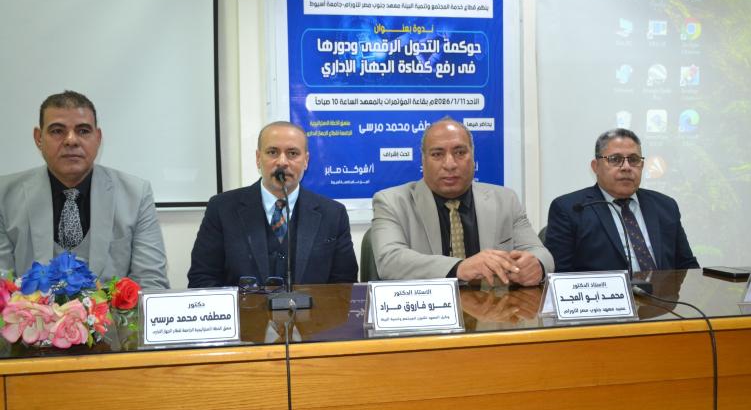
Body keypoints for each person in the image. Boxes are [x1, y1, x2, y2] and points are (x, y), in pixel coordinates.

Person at [0, 90, 169, 288]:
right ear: (39, 138)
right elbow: (2, 285)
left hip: (113, 310)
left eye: (83, 131)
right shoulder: (4, 197)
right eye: (57, 131)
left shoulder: (136, 194)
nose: (71, 140)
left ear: (98, 138)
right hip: (29, 309)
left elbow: (151, 282)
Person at [371, 118, 553, 285]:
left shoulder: (505, 200)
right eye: (437, 154)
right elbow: (389, 261)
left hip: (492, 306)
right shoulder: (392, 202)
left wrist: (536, 265)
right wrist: (460, 267)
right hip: (427, 306)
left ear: (473, 158)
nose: (450, 164)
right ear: (423, 161)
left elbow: (541, 254)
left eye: (460, 152)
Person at [188, 121, 358, 287]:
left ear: (306, 160)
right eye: (272, 152)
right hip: (244, 307)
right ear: (258, 158)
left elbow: (347, 286)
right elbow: (201, 279)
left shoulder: (333, 214)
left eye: (292, 153)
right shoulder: (222, 209)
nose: (282, 162)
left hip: (312, 307)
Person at [546, 128, 699, 272]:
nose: (626, 167)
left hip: (664, 291)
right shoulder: (571, 209)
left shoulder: (665, 206)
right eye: (615, 159)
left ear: (642, 165)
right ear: (596, 166)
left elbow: (687, 265)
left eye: (633, 159)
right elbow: (560, 275)